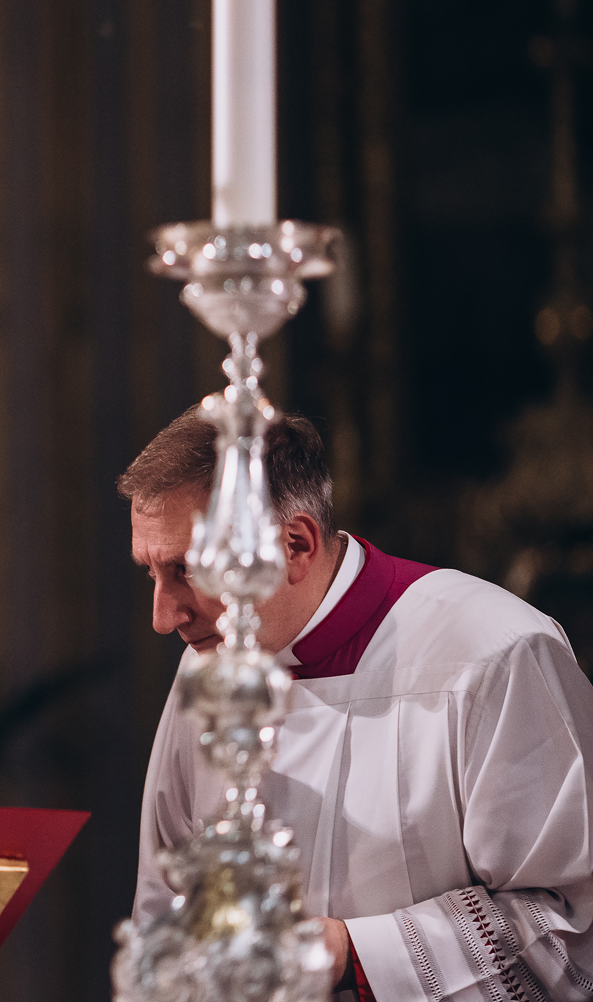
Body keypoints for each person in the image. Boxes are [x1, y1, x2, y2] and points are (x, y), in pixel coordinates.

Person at [125, 407, 593, 1002]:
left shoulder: (492, 655)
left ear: (295, 544)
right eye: (151, 574)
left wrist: (354, 954)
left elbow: (574, 925)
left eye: (189, 570)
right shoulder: (209, 667)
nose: (164, 618)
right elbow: (163, 909)